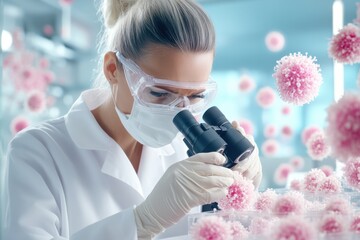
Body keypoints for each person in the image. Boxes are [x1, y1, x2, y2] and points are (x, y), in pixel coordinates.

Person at [2, 0, 262, 239]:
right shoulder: (37, 151)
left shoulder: (191, 152)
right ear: (112, 70)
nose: (177, 112)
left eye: (194, 97)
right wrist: (142, 221)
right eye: (159, 93)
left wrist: (238, 200)